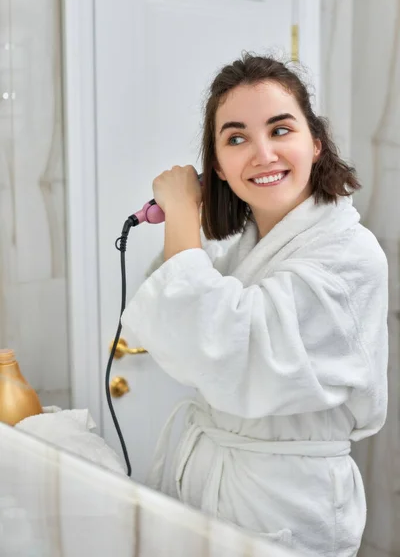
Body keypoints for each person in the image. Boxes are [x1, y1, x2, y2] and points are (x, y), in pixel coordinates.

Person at [121, 54, 388, 557]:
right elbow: (176, 322)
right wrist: (193, 223)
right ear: (218, 166)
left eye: (280, 129)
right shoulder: (240, 245)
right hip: (214, 484)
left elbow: (219, 340)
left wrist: (181, 212)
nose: (262, 154)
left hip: (284, 504)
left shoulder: (349, 257)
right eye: (237, 138)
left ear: (315, 141)